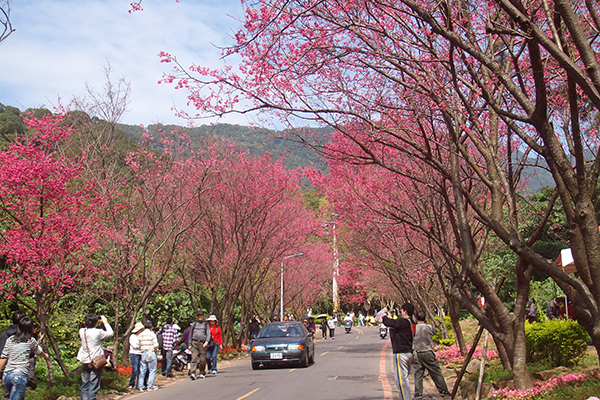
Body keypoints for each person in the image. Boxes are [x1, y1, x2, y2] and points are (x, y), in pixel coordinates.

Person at [0, 317, 49, 400]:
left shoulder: (10, 340)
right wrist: (45, 356)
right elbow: (38, 351)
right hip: (19, 375)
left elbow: (4, 356)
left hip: (7, 375)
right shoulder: (30, 340)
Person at [412, 311, 451, 399]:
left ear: (416, 318)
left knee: (418, 373)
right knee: (435, 371)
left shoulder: (413, 328)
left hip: (417, 353)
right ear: (425, 318)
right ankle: (443, 390)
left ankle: (418, 394)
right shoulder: (428, 327)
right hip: (427, 352)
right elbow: (435, 331)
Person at [77, 314, 114, 400]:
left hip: (85, 360)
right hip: (96, 361)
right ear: (96, 323)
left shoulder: (82, 331)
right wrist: (105, 322)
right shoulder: (98, 332)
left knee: (85, 384)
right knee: (93, 384)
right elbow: (111, 333)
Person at [383, 303, 415, 400]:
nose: (400, 312)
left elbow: (390, 323)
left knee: (401, 381)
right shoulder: (411, 322)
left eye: (401, 310)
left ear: (405, 311)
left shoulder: (403, 322)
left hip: (401, 354)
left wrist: (384, 316)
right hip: (409, 353)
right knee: (404, 379)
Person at [189, 310, 211, 380]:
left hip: (202, 343)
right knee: (194, 358)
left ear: (203, 316)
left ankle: (202, 372)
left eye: (201, 315)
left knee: (202, 359)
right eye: (199, 316)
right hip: (194, 343)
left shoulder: (205, 325)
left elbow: (208, 334)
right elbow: (190, 334)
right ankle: (193, 373)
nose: (200, 317)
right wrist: (189, 344)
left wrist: (206, 342)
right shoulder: (194, 324)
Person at [137, 320, 159, 392]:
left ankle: (141, 386)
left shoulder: (140, 335)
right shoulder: (152, 334)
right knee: (152, 370)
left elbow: (137, 345)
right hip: (150, 351)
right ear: (151, 327)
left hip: (143, 352)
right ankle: (150, 386)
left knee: (142, 370)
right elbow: (156, 345)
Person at [128, 322, 144, 390]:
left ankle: (139, 384)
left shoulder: (142, 336)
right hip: (134, 354)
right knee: (135, 369)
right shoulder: (132, 337)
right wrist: (140, 346)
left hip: (141, 353)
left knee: (141, 369)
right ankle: (131, 383)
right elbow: (134, 346)